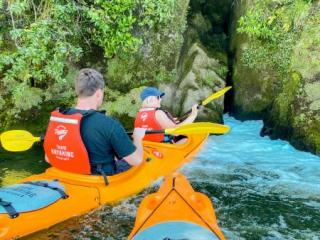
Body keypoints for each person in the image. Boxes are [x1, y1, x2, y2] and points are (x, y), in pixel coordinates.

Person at [44, 68, 145, 180]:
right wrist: (137, 138)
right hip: (97, 180)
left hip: (63, 174)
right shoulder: (109, 124)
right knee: (132, 160)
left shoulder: (59, 118)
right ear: (98, 93)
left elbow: (48, 158)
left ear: (78, 91)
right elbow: (136, 160)